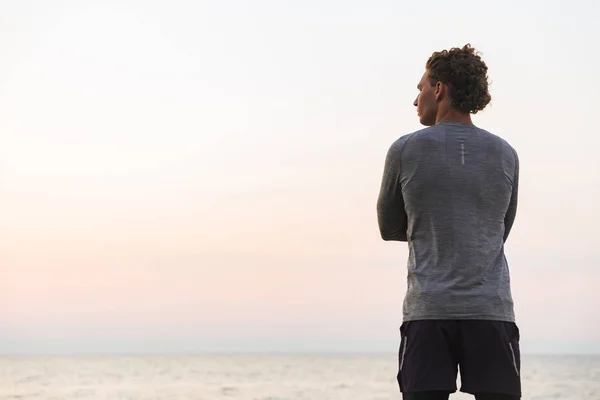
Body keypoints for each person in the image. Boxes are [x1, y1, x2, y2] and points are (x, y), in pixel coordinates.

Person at [376, 44, 521, 400]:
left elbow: (388, 227)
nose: (416, 100)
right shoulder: (506, 153)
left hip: (429, 311)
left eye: (421, 88)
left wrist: (430, 227)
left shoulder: (405, 149)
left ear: (438, 89)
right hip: (491, 311)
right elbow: (500, 230)